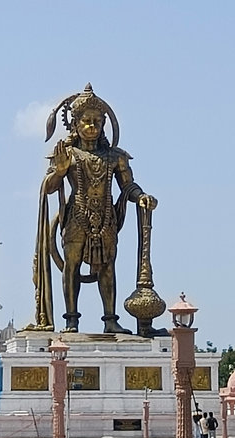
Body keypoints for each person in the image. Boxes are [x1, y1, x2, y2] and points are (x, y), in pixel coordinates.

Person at [26, 84, 157, 334]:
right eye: (86, 121)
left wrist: (141, 197)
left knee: (108, 266)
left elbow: (128, 185)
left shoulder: (115, 156)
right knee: (71, 266)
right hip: (77, 217)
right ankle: (71, 320)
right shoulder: (67, 153)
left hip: (106, 218)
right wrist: (62, 169)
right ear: (75, 124)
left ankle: (110, 319)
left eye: (97, 121)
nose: (91, 126)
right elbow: (50, 187)